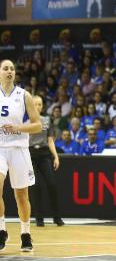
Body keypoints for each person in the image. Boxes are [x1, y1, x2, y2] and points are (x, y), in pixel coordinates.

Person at [0, 59, 42, 252]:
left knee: (21, 196)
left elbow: (38, 125)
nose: (9, 71)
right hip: (0, 147)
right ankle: (1, 230)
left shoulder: (24, 95)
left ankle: (25, 233)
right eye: (5, 68)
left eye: (12, 68)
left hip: (19, 147)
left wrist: (18, 127)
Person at [28, 96, 64, 227]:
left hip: (44, 154)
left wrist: (56, 156)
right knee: (36, 186)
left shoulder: (47, 120)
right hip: (30, 154)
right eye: (35, 104)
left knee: (52, 184)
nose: (37, 106)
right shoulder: (25, 121)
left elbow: (50, 140)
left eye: (39, 104)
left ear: (42, 106)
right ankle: (39, 218)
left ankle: (56, 217)